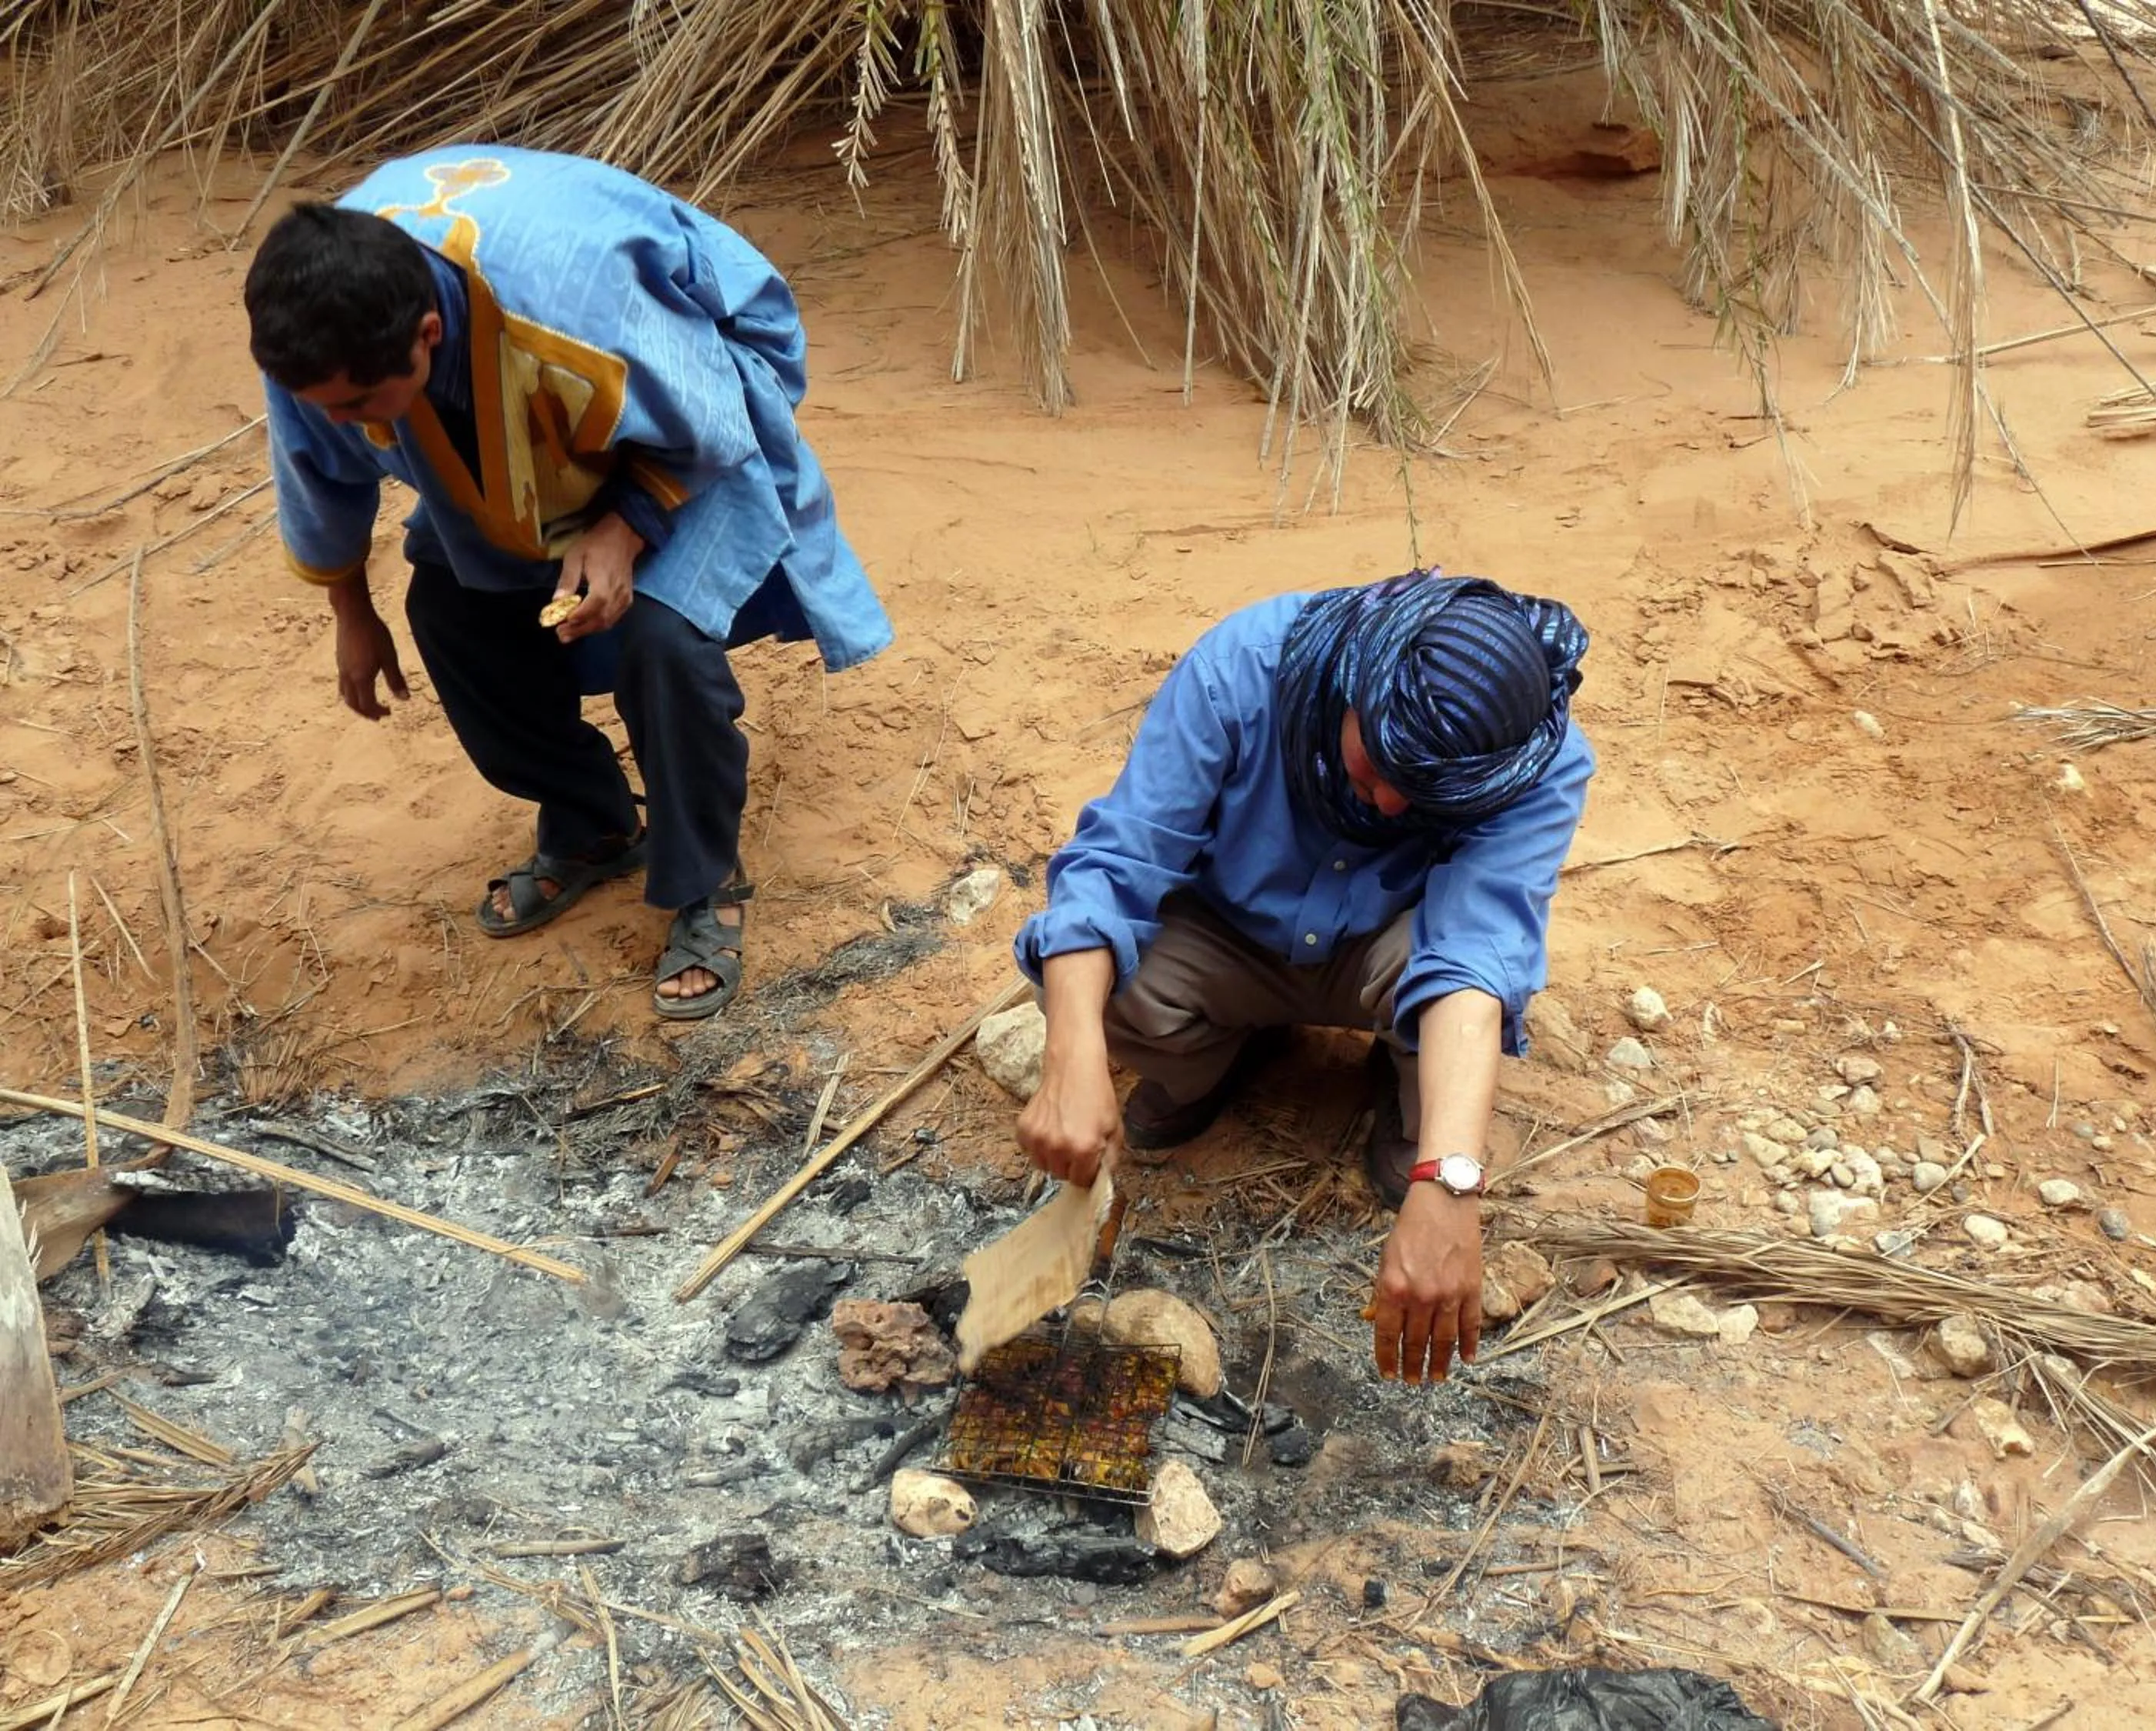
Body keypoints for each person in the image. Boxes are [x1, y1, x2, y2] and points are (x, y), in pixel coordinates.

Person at [245, 147, 893, 1019]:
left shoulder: (580, 309)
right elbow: (318, 467)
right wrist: (350, 608)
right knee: (447, 609)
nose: (337, 424)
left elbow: (710, 414)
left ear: (426, 338)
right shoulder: (323, 337)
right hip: (514, 421)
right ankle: (594, 825)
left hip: (687, 416)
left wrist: (625, 525)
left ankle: (706, 880)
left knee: (664, 638)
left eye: (358, 408)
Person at [1011, 571, 1593, 1385]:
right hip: (1230, 931)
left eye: (1427, 798)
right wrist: (1069, 1056)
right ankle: (1226, 1051)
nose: (1389, 805)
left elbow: (1474, 953)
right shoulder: (1243, 670)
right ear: (1354, 684)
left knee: (1466, 1007)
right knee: (1089, 984)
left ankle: (1407, 1094)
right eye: (1381, 764)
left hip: (1390, 957)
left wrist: (1450, 1181)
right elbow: (1114, 868)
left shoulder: (1532, 762)